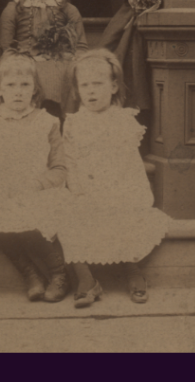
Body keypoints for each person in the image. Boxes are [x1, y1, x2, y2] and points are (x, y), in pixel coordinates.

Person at [56, 49, 170, 308]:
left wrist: (124, 191)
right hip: (84, 188)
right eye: (85, 85)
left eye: (98, 84)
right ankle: (85, 279)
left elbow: (129, 163)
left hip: (118, 186)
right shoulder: (73, 123)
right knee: (65, 215)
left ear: (114, 86)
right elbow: (71, 162)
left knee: (124, 213)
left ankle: (131, 269)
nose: (92, 91)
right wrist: (80, 190)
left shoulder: (123, 120)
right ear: (76, 90)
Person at [0, 52, 71, 303]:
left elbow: (59, 169)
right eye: (11, 86)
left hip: (37, 191)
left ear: (35, 90)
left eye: (25, 85)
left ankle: (59, 273)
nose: (18, 92)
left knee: (28, 215)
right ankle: (29, 273)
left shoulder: (48, 122)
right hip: (3, 191)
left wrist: (36, 184)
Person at [0, 0, 86, 116]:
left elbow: (82, 47)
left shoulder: (68, 10)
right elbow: (7, 51)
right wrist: (24, 62)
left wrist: (72, 59)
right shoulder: (13, 10)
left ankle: (63, 121)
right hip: (27, 67)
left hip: (62, 65)